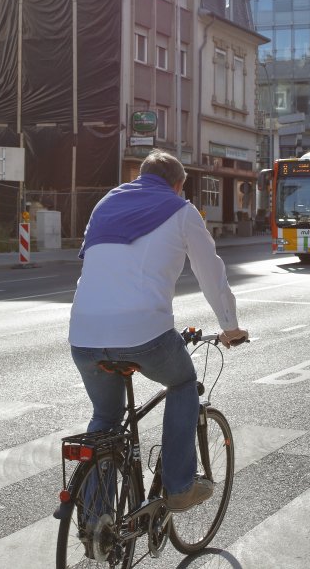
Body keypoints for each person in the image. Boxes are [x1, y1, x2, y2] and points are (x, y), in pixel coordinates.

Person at [68, 149, 248, 513]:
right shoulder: (182, 212)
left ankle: (95, 519)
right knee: (182, 383)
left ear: (139, 176)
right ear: (179, 185)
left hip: (83, 335)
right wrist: (229, 326)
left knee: (105, 417)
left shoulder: (106, 204)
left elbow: (95, 264)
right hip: (144, 333)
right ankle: (180, 486)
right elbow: (210, 274)